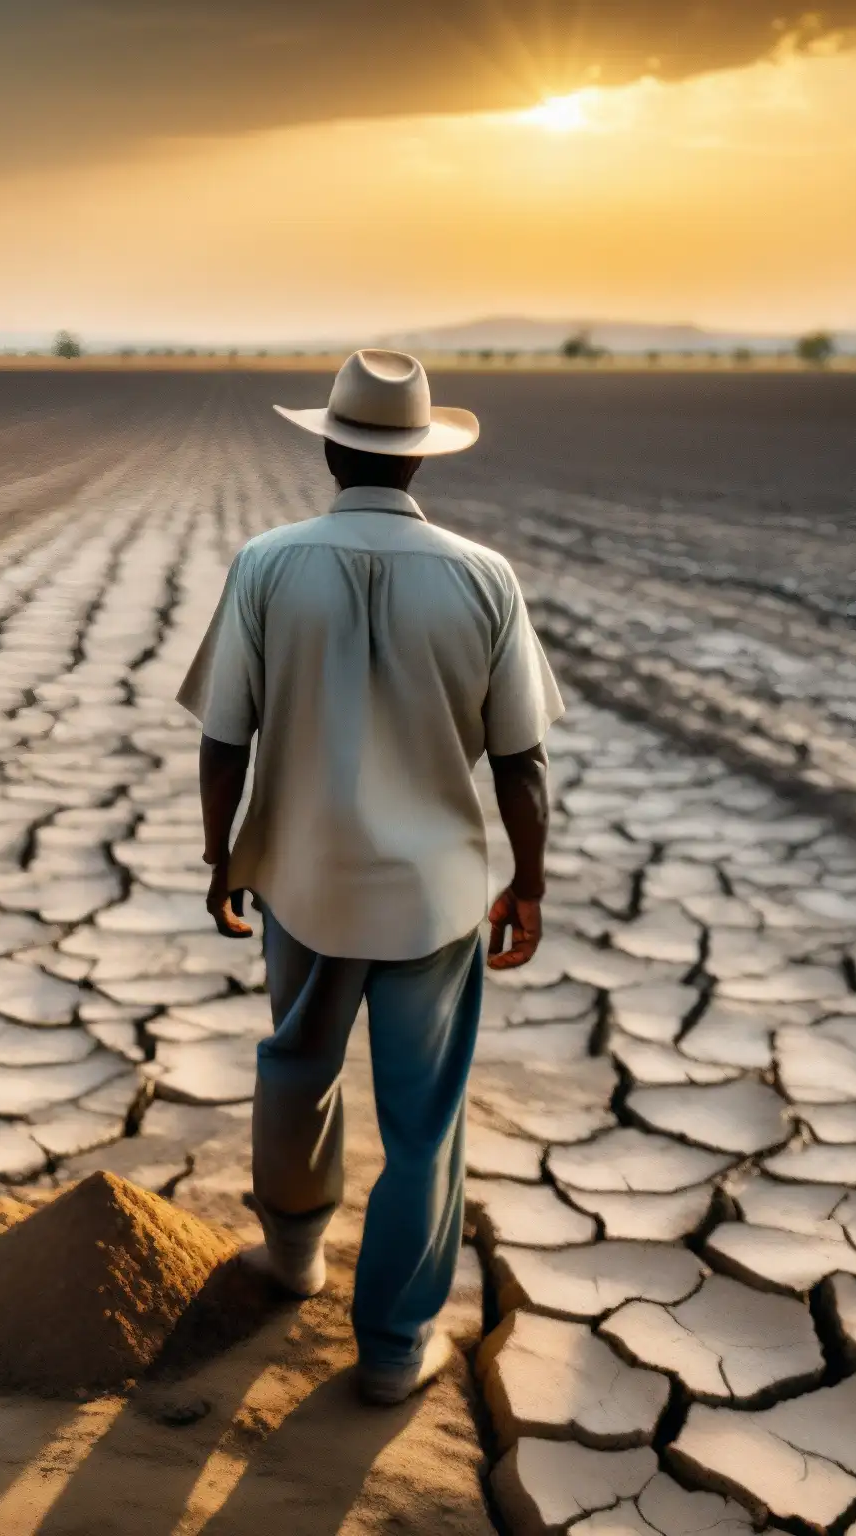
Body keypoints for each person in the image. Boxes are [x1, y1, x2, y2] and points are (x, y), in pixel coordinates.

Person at [177, 349, 563, 1405]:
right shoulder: (484, 576)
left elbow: (223, 741)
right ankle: (393, 1348)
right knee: (422, 1121)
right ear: (418, 463)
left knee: (297, 1069)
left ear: (329, 448)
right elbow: (522, 762)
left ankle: (294, 1259)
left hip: (300, 883)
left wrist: (222, 856)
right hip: (433, 900)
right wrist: (525, 884)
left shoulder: (264, 563)